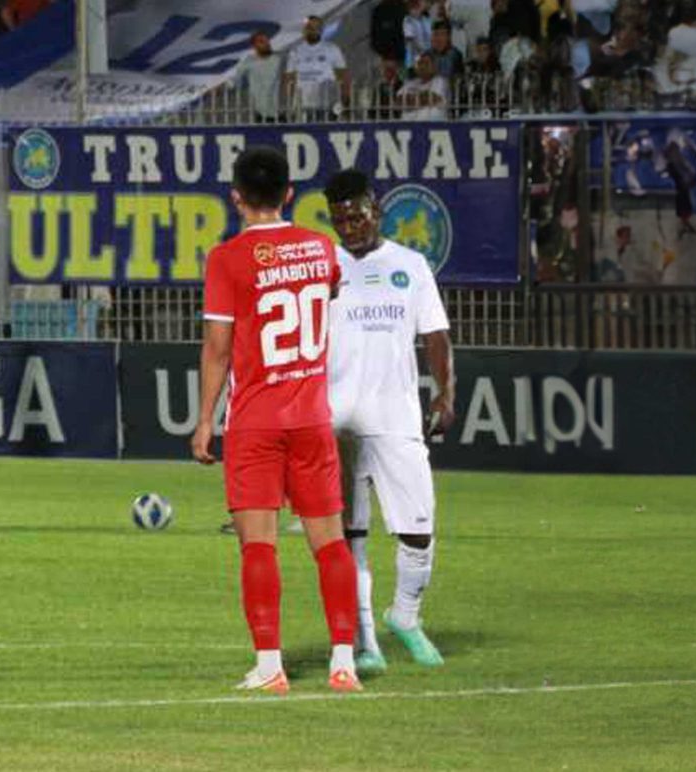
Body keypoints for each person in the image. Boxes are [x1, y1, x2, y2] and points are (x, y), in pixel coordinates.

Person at [190, 146, 362, 696]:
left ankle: (270, 667)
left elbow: (218, 349)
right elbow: (327, 289)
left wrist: (203, 421)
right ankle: (343, 664)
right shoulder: (322, 248)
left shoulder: (227, 259)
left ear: (236, 197)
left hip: (256, 421)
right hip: (312, 418)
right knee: (330, 543)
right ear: (290, 193)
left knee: (258, 544)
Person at [321, 171, 455, 676]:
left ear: (376, 211)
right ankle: (366, 642)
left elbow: (436, 335)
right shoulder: (322, 266)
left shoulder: (410, 264)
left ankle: (406, 616)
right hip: (336, 422)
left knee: (418, 528)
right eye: (338, 219)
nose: (349, 227)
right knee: (350, 534)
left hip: (397, 417)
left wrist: (446, 393)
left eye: (356, 216)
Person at [281, 16, 348, 122]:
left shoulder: (332, 49)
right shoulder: (295, 51)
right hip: (302, 105)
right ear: (304, 30)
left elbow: (343, 77)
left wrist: (344, 102)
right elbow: (289, 79)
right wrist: (288, 105)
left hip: (327, 104)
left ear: (321, 30)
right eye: (310, 27)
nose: (313, 30)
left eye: (317, 27)